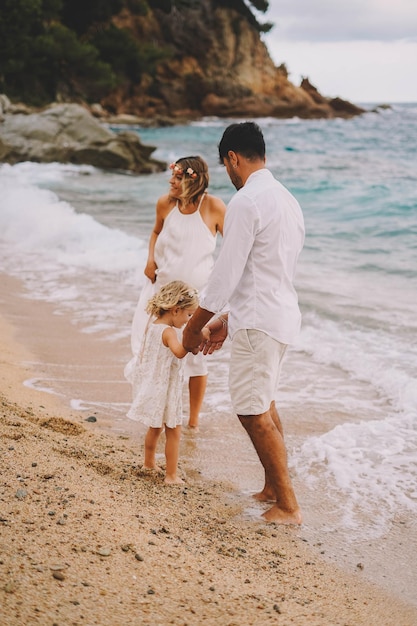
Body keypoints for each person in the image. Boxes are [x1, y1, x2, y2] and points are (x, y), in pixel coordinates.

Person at [183, 122, 305, 524]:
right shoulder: (287, 200)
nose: (228, 174)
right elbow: (268, 273)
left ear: (232, 157)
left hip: (260, 321)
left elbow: (226, 274)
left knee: (252, 411)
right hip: (280, 315)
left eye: (226, 165)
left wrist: (194, 325)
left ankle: (288, 506)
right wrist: (228, 320)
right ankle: (273, 487)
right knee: (265, 402)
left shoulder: (247, 201)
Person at [126, 156, 226, 429]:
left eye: (177, 177)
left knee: (194, 359)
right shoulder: (164, 204)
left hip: (195, 301)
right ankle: (151, 413)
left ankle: (192, 421)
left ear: (193, 180)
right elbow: (156, 232)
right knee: (150, 351)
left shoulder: (213, 207)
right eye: (172, 176)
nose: (171, 181)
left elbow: (233, 249)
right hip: (162, 295)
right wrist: (150, 260)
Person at [126, 280, 208, 484]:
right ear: (175, 310)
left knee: (155, 428)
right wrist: (197, 338)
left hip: (155, 385)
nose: (189, 321)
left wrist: (192, 344)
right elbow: (179, 353)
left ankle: (148, 462)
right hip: (166, 388)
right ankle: (171, 475)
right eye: (189, 315)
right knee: (174, 430)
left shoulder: (152, 325)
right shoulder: (169, 332)